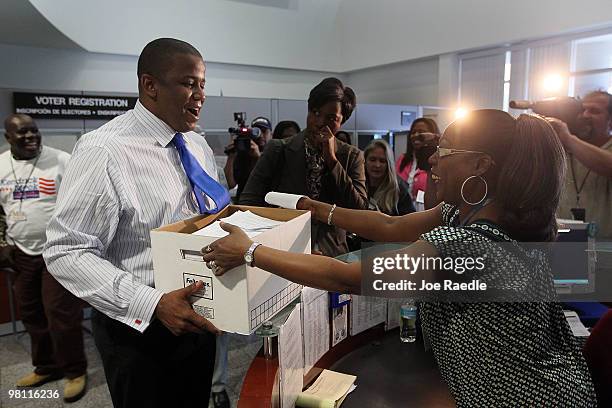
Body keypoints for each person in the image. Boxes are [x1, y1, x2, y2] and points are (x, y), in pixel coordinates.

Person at [203, 109, 596, 406]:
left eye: (446, 151)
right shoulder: (473, 214)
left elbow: (348, 278)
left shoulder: (463, 242)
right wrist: (314, 207)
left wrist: (251, 251)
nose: (432, 161)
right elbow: (390, 226)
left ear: (481, 165)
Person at [43, 38, 223, 408]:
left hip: (198, 317)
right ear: (150, 85)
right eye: (189, 83)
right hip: (140, 329)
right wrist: (153, 303)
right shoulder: (104, 150)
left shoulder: (197, 146)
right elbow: (66, 250)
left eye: (203, 84)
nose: (200, 95)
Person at [0, 114, 87, 402]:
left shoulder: (61, 160)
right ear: (8, 138)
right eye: (22, 132)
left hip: (57, 251)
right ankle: (46, 367)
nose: (30, 136)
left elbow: (82, 204)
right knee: (32, 313)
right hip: (21, 252)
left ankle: (75, 371)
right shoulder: (1, 165)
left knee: (61, 314)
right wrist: (2, 243)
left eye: (34, 131)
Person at [239, 77, 368, 257]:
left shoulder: (351, 156)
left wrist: (332, 161)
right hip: (284, 249)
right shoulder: (279, 149)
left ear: (342, 121)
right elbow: (248, 203)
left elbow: (360, 212)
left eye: (331, 118)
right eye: (315, 113)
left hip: (332, 254)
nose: (320, 122)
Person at [547, 90, 612, 239]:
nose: (585, 115)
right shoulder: (564, 146)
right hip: (562, 242)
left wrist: (569, 139)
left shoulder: (570, 141)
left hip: (605, 248)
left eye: (594, 111)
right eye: (583, 110)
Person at [224, 116, 272, 202]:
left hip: (266, 203)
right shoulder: (242, 154)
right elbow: (229, 184)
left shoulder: (274, 154)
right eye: (256, 131)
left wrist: (258, 158)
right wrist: (231, 156)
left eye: (264, 131)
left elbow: (271, 182)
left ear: (271, 134)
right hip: (243, 202)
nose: (260, 135)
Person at [396, 118, 440, 210]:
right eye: (413, 132)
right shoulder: (402, 159)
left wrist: (437, 138)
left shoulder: (437, 161)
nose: (416, 135)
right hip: (403, 213)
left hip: (428, 213)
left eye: (421, 132)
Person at [363, 139, 414, 216]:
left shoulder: (399, 190)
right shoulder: (358, 186)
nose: (377, 165)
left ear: (389, 164)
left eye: (382, 161)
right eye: (372, 160)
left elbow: (410, 221)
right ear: (365, 161)